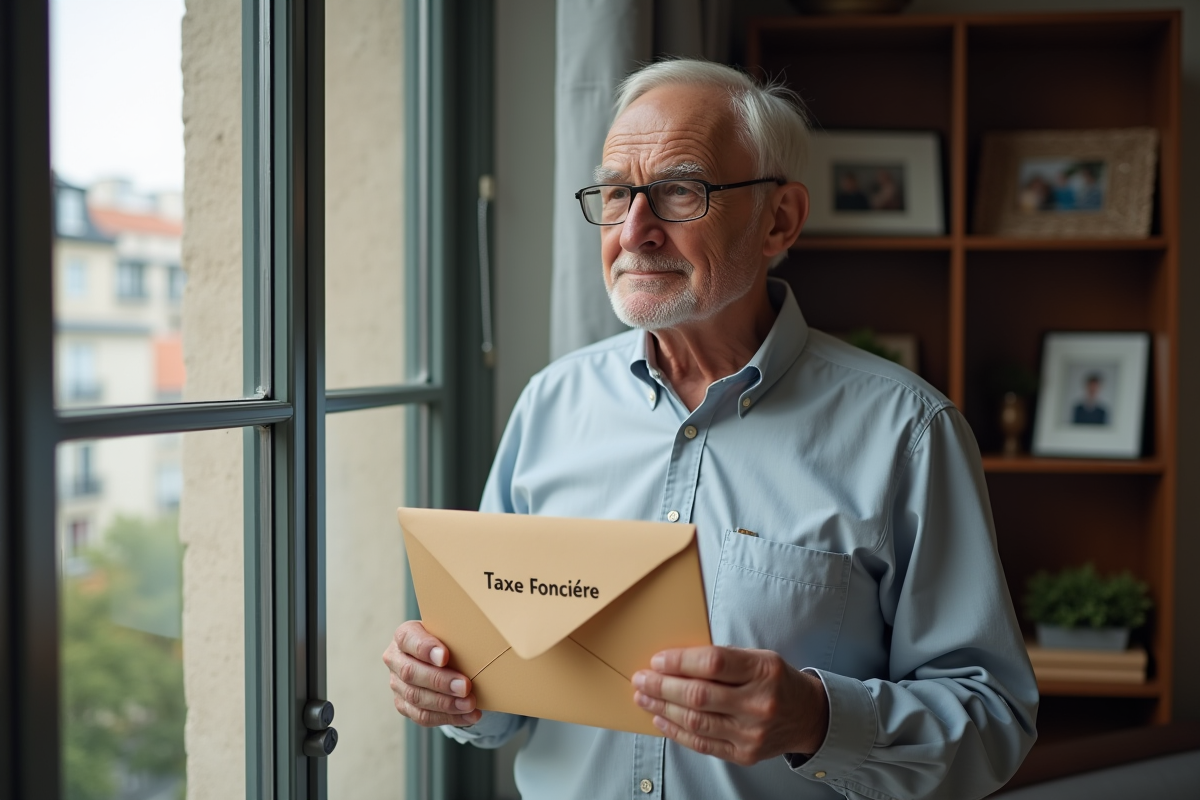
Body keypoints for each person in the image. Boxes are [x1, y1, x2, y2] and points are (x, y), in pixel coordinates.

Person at [383, 59, 1038, 800]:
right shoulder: (549, 404)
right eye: (615, 193)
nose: (636, 230)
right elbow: (499, 693)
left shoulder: (908, 432)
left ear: (779, 220)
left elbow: (994, 722)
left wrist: (817, 719)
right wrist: (449, 688)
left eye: (678, 191)